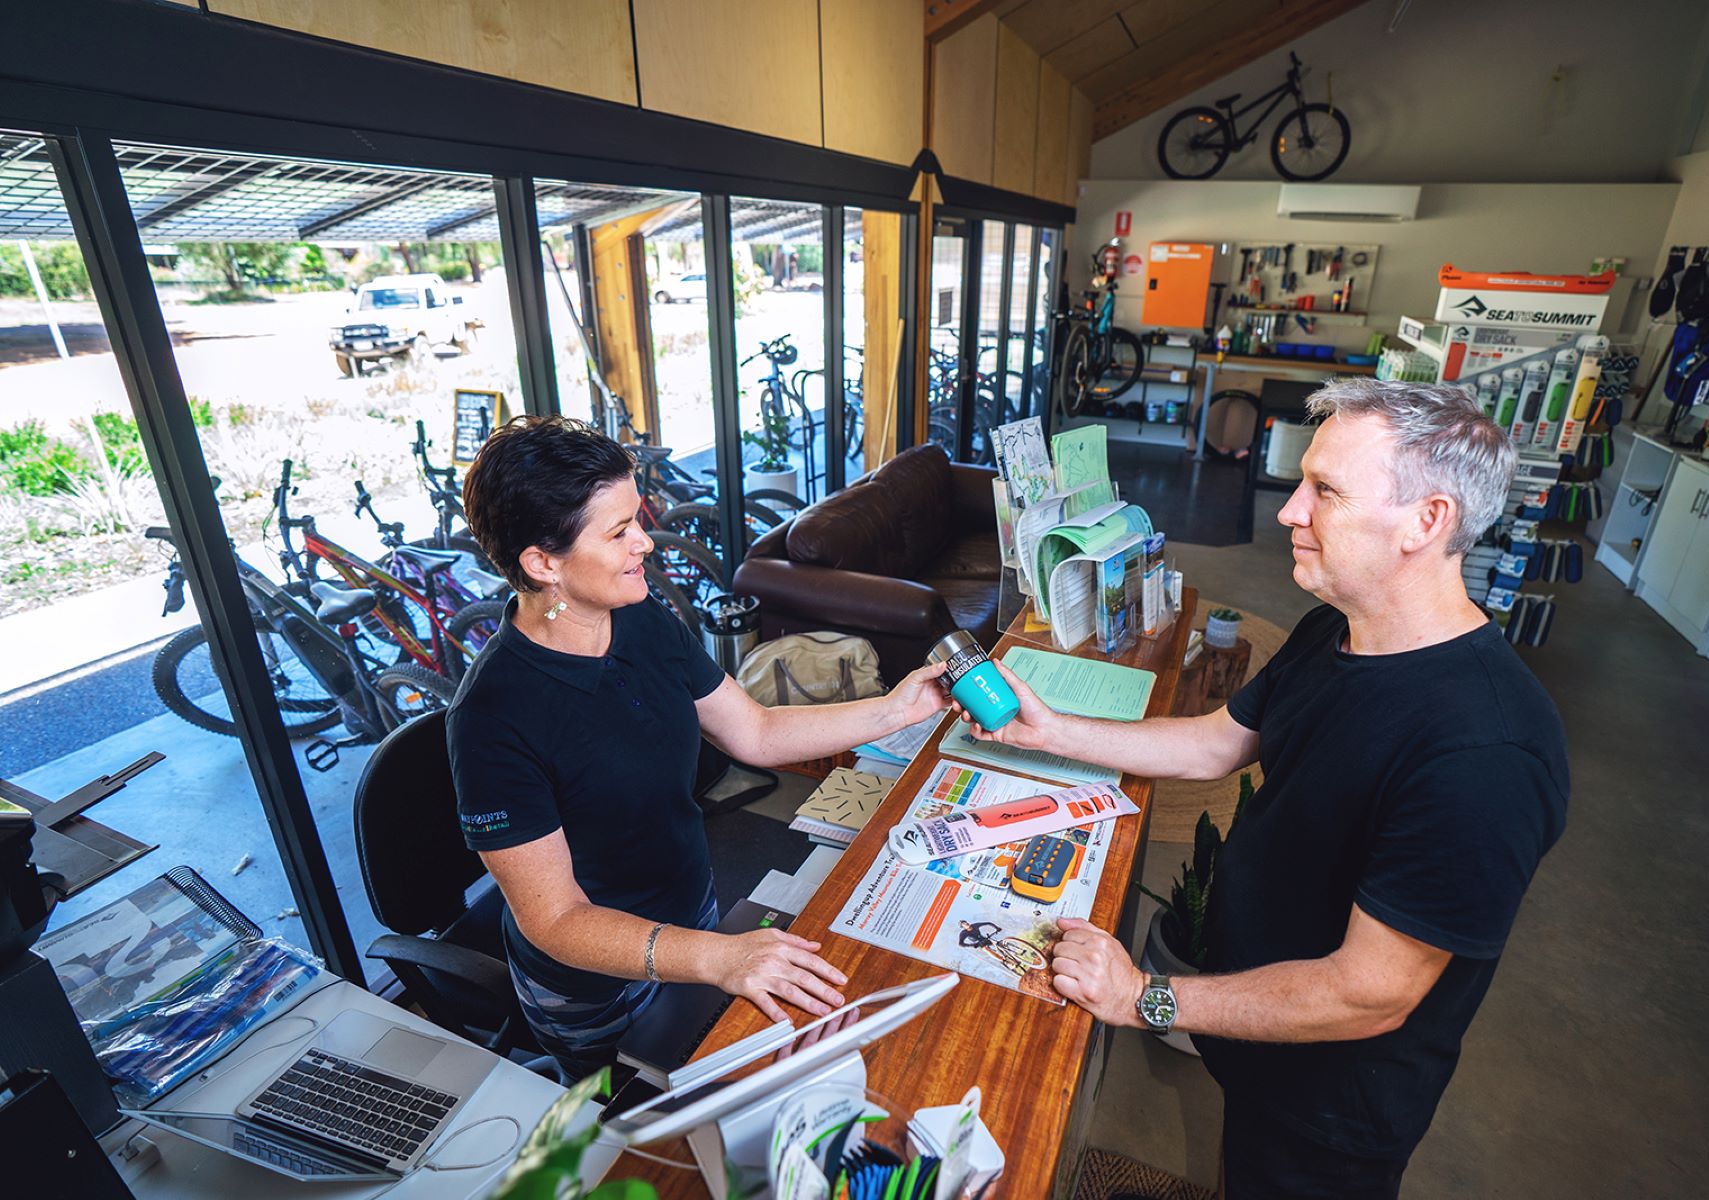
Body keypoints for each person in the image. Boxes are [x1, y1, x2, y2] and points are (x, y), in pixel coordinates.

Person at [959, 379, 1569, 1198]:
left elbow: (1369, 995)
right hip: (1255, 1029)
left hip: (1328, 1104)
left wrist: (1148, 999)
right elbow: (1217, 743)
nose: (1288, 511)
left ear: (1427, 521)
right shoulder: (1337, 628)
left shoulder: (1485, 753)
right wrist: (1051, 731)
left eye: (1325, 491)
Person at [447, 416, 950, 1081]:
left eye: (638, 520)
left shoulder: (642, 619)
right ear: (543, 564)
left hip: (694, 914)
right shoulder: (492, 718)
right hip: (596, 979)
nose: (645, 544)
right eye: (619, 532)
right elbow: (556, 918)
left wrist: (895, 710)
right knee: (630, 1115)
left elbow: (755, 732)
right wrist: (719, 957)